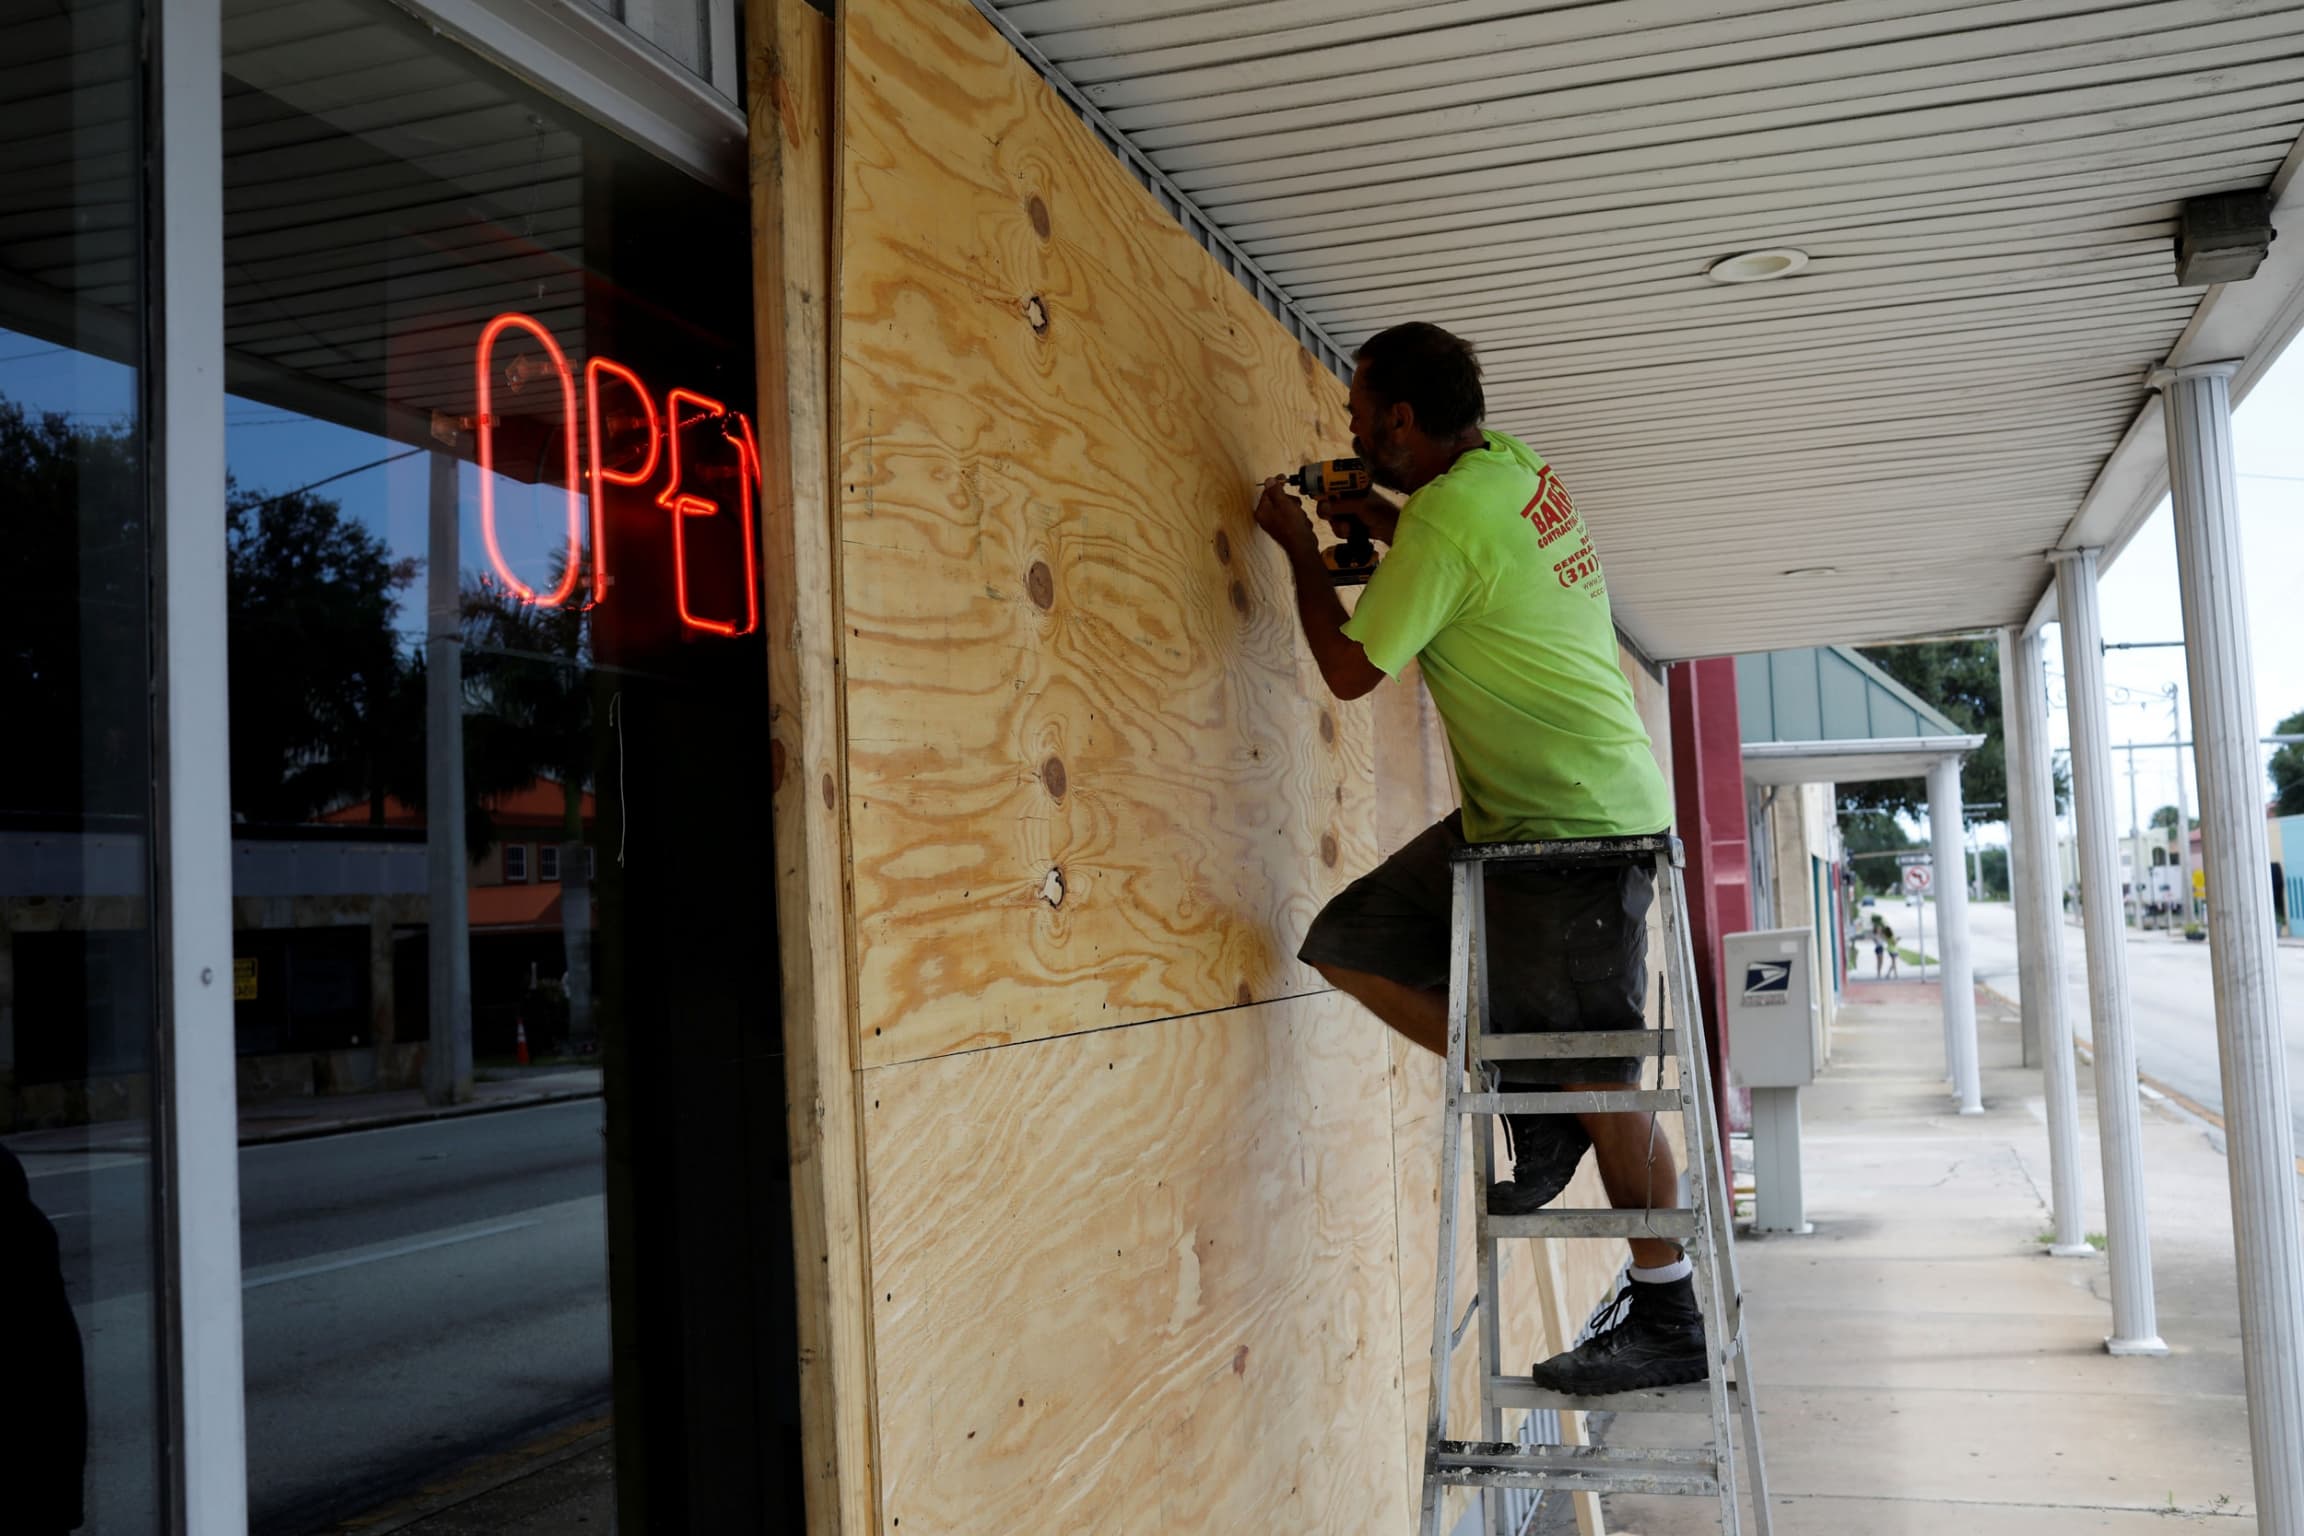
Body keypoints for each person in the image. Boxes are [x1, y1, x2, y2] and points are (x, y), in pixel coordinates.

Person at [1252, 321, 1700, 1397]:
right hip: (1513, 826)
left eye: (1361, 417)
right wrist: (1389, 520)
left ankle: (1671, 1309)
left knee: (1603, 1076)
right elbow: (1462, 551)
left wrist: (1301, 546)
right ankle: (1524, 1087)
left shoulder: (1446, 521)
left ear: (1403, 421)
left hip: (1578, 829)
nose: (1352, 433)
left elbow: (1353, 673)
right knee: (1350, 943)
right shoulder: (1513, 469)